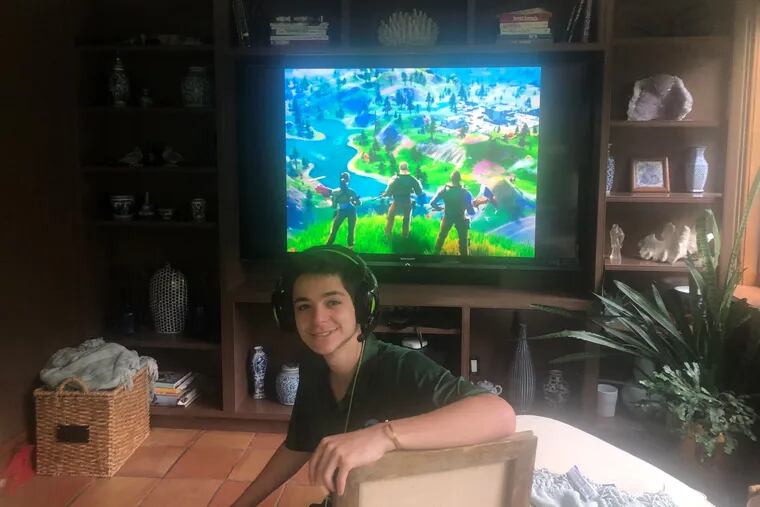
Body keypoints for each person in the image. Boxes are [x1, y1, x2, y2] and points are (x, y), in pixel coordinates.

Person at [233, 246, 516, 507]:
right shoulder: (314, 364)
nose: (317, 319)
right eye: (304, 306)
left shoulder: (401, 366)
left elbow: (500, 414)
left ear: (362, 307)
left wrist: (383, 436)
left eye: (333, 302)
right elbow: (298, 445)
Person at [431, 170, 476, 256]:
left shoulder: (444, 190)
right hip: (461, 218)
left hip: (447, 217)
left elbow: (432, 203)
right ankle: (464, 261)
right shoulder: (466, 193)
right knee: (463, 243)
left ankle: (434, 257)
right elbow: (471, 212)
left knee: (440, 239)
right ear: (460, 179)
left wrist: (440, 208)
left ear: (451, 179)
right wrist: (475, 206)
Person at [381, 162, 423, 240]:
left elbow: (388, 192)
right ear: (407, 168)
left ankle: (387, 234)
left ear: (399, 168)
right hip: (407, 201)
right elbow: (419, 192)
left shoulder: (395, 178)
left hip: (396, 202)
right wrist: (412, 189)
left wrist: (384, 194)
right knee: (407, 219)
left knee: (390, 217)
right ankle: (405, 236)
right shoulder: (412, 179)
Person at [326, 172, 360, 249]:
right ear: (348, 180)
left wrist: (330, 200)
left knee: (336, 229)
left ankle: (328, 246)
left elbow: (334, 206)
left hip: (345, 211)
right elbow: (358, 203)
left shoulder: (335, 192)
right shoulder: (350, 191)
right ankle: (350, 246)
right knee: (349, 230)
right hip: (348, 210)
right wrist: (355, 201)